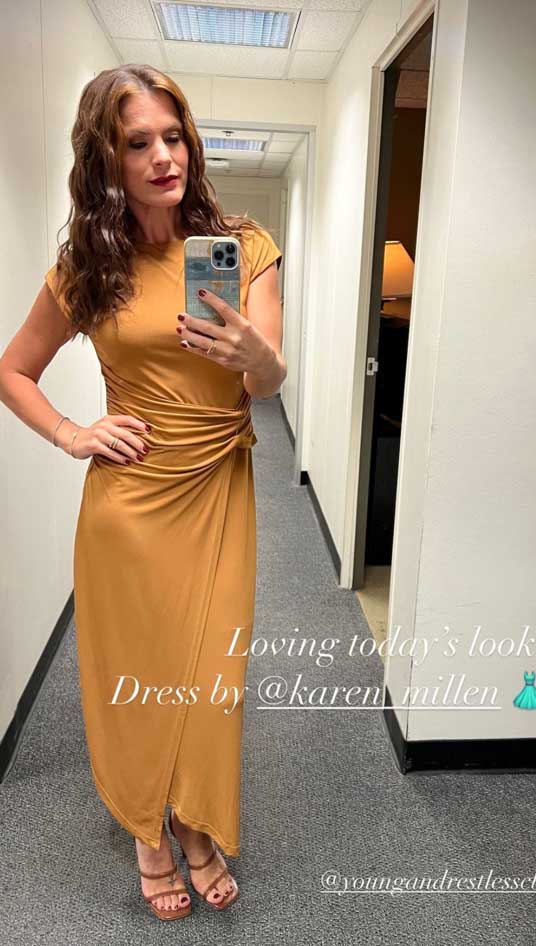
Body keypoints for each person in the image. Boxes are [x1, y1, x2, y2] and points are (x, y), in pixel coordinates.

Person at [0, 63, 286, 921]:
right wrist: (73, 432)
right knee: (135, 675)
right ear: (106, 159)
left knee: (211, 678)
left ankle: (194, 820)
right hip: (128, 504)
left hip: (219, 489)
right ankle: (147, 834)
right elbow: (13, 371)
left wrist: (257, 358)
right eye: (138, 143)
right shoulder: (88, 266)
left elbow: (265, 382)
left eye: (174, 136)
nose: (165, 157)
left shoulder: (245, 246)